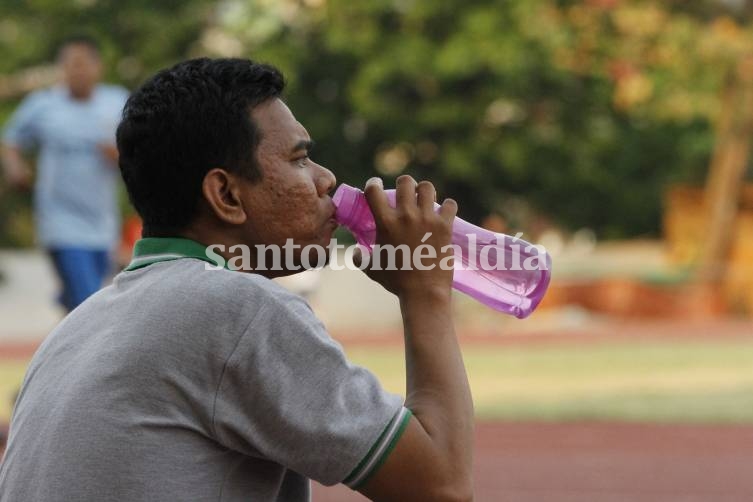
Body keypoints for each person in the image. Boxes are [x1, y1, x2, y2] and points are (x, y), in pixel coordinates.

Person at [0, 58, 474, 501]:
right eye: (299, 159)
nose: (326, 179)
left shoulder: (76, 328)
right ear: (225, 194)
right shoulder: (236, 308)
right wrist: (425, 292)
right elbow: (442, 486)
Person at [0, 35, 129, 312]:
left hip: (102, 221)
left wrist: (117, 155)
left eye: (83, 64)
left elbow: (137, 151)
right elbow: (10, 140)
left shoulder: (116, 101)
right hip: (59, 220)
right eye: (71, 65)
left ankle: (65, 300)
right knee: (89, 301)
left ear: (98, 67)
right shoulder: (43, 104)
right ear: (61, 68)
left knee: (88, 294)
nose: (77, 71)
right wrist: (15, 167)